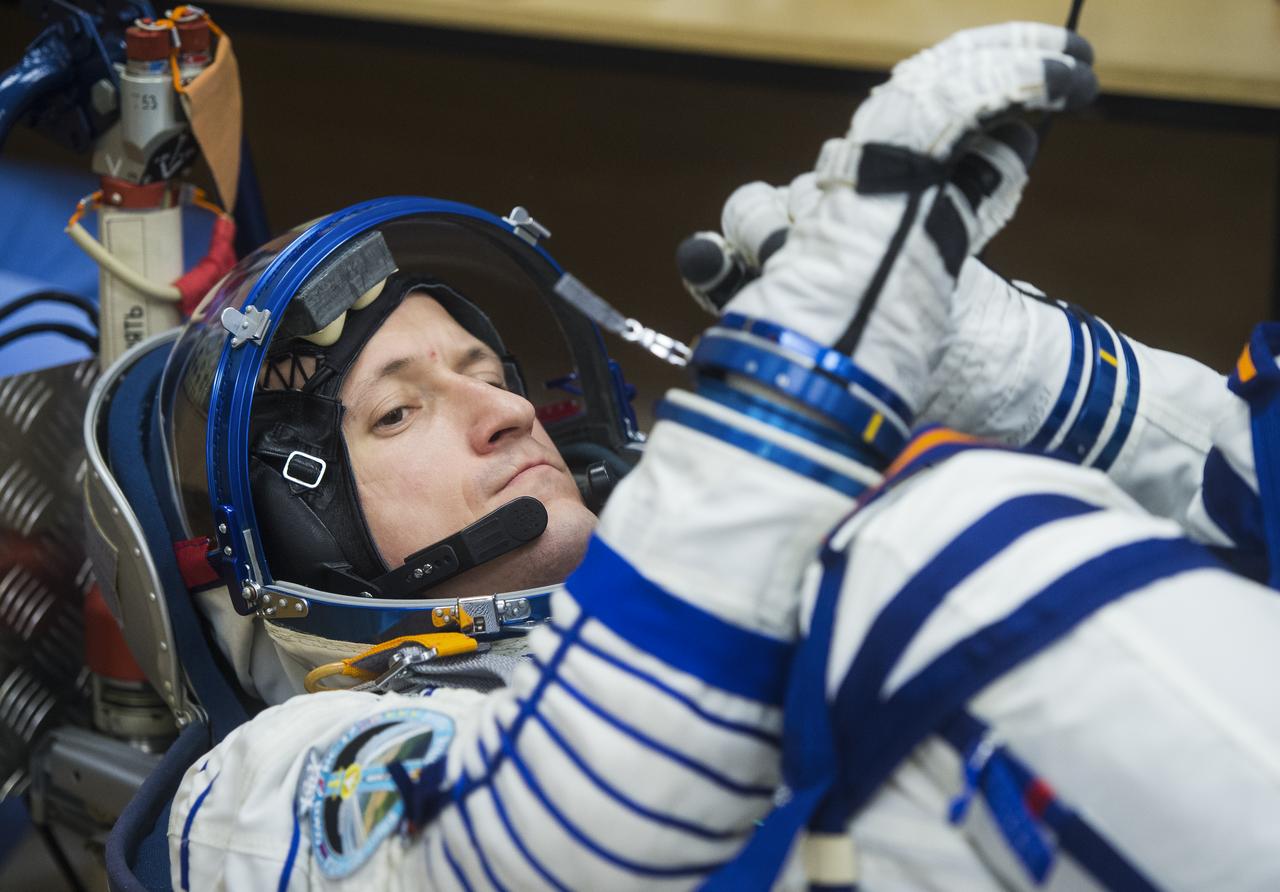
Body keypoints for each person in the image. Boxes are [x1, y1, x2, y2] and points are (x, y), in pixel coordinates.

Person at [161, 22, 1280, 891]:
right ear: (294, 526)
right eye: (397, 414)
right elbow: (521, 853)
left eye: (492, 375)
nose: (508, 415)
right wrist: (791, 396)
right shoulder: (267, 780)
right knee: (933, 546)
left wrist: (1041, 382)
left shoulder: (752, 605)